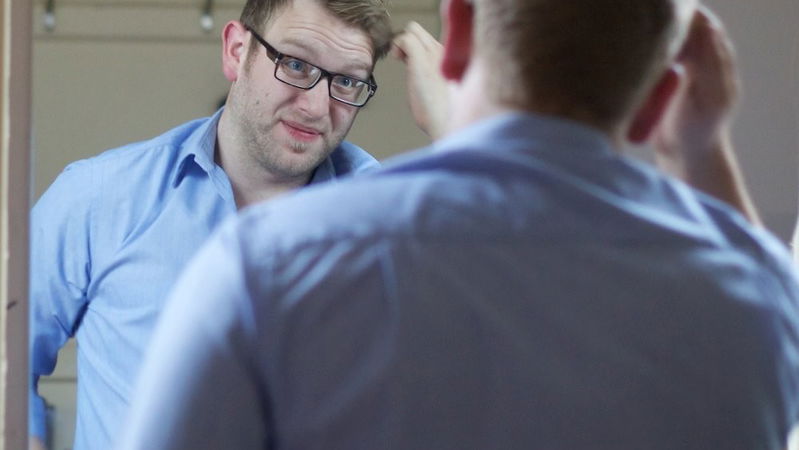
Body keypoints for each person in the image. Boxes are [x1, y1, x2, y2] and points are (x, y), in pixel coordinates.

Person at [120, 0, 799, 449]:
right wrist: (702, 147)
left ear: (460, 32)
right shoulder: (756, 298)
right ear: (660, 105)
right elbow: (764, 308)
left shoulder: (266, 267)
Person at [28, 0, 402, 448]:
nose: (317, 106)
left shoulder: (394, 225)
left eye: (345, 81)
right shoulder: (98, 198)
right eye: (297, 65)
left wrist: (459, 121)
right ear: (236, 50)